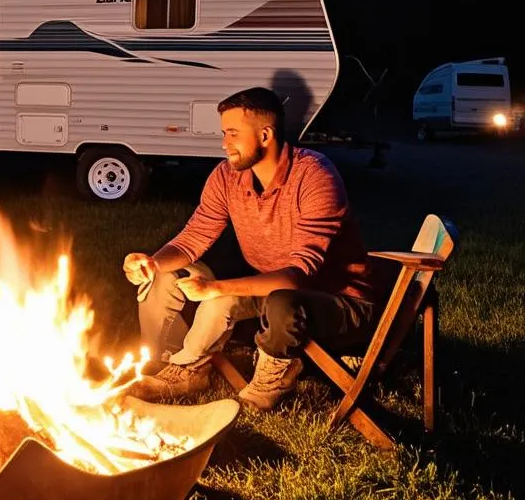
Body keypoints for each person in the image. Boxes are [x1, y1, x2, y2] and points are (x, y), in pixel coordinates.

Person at [122, 86, 377, 410]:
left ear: (266, 135)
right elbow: (193, 238)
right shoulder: (227, 177)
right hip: (268, 288)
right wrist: (154, 264)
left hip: (335, 299)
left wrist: (215, 287)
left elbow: (298, 276)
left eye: (232, 133)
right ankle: (178, 368)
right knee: (168, 277)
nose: (224, 142)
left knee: (251, 298)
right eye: (223, 133)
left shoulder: (315, 177)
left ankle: (255, 381)